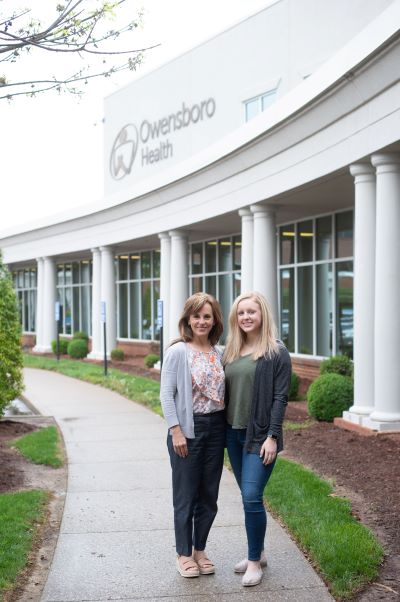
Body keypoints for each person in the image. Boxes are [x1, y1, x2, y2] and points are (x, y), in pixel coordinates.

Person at [223, 291, 291, 587]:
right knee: (248, 498)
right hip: (231, 434)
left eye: (251, 311)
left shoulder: (276, 352)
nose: (246, 317)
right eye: (241, 313)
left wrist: (272, 437)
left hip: (260, 437)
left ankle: (254, 563)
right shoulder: (230, 351)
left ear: (262, 314)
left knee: (251, 497)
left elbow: (280, 397)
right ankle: (258, 551)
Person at [160, 292, 225, 578]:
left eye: (207, 316)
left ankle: (200, 550)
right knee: (186, 496)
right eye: (196, 316)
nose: (201, 321)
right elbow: (166, 394)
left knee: (209, 496)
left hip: (216, 428)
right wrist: (177, 430)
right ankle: (183, 554)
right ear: (188, 319)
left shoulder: (218, 352)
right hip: (188, 429)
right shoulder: (178, 352)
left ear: (214, 320)